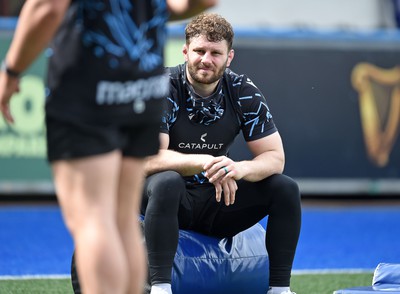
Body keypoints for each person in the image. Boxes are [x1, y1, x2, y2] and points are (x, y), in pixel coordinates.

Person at [0, 1, 217, 294]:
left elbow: (47, 7)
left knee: (94, 219)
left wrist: (12, 70)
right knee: (121, 220)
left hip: (88, 85)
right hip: (144, 84)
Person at [141, 13, 302, 294]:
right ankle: (161, 288)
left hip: (216, 197)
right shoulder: (161, 86)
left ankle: (279, 289)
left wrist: (238, 169)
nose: (206, 59)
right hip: (163, 198)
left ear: (229, 57)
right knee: (167, 181)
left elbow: (275, 157)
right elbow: (149, 159)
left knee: (285, 188)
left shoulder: (243, 92)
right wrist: (205, 162)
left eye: (216, 53)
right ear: (185, 51)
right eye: (199, 51)